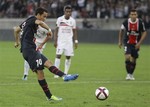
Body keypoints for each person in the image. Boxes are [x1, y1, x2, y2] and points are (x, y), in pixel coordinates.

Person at [13, 7, 79, 101]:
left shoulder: (27, 21)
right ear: (38, 15)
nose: (45, 19)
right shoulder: (33, 19)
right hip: (29, 50)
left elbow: (16, 30)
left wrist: (17, 42)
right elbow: (40, 22)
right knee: (40, 72)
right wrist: (49, 29)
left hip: (31, 50)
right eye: (44, 16)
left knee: (48, 63)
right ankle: (50, 95)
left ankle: (64, 76)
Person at [118, 9, 147, 80]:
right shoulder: (126, 22)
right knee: (127, 57)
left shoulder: (140, 22)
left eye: (135, 14)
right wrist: (120, 41)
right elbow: (121, 30)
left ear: (137, 15)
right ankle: (128, 74)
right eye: (132, 14)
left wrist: (139, 43)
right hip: (127, 42)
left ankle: (131, 74)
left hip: (136, 44)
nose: (133, 16)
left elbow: (144, 32)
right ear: (130, 15)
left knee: (133, 60)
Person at [54, 5, 78, 78]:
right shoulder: (59, 19)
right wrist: (55, 40)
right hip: (60, 41)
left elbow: (74, 31)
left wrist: (76, 41)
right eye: (67, 11)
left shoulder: (73, 21)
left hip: (69, 42)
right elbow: (56, 30)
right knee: (58, 55)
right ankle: (56, 73)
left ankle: (65, 73)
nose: (68, 13)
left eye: (69, 12)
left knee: (68, 57)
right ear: (64, 12)